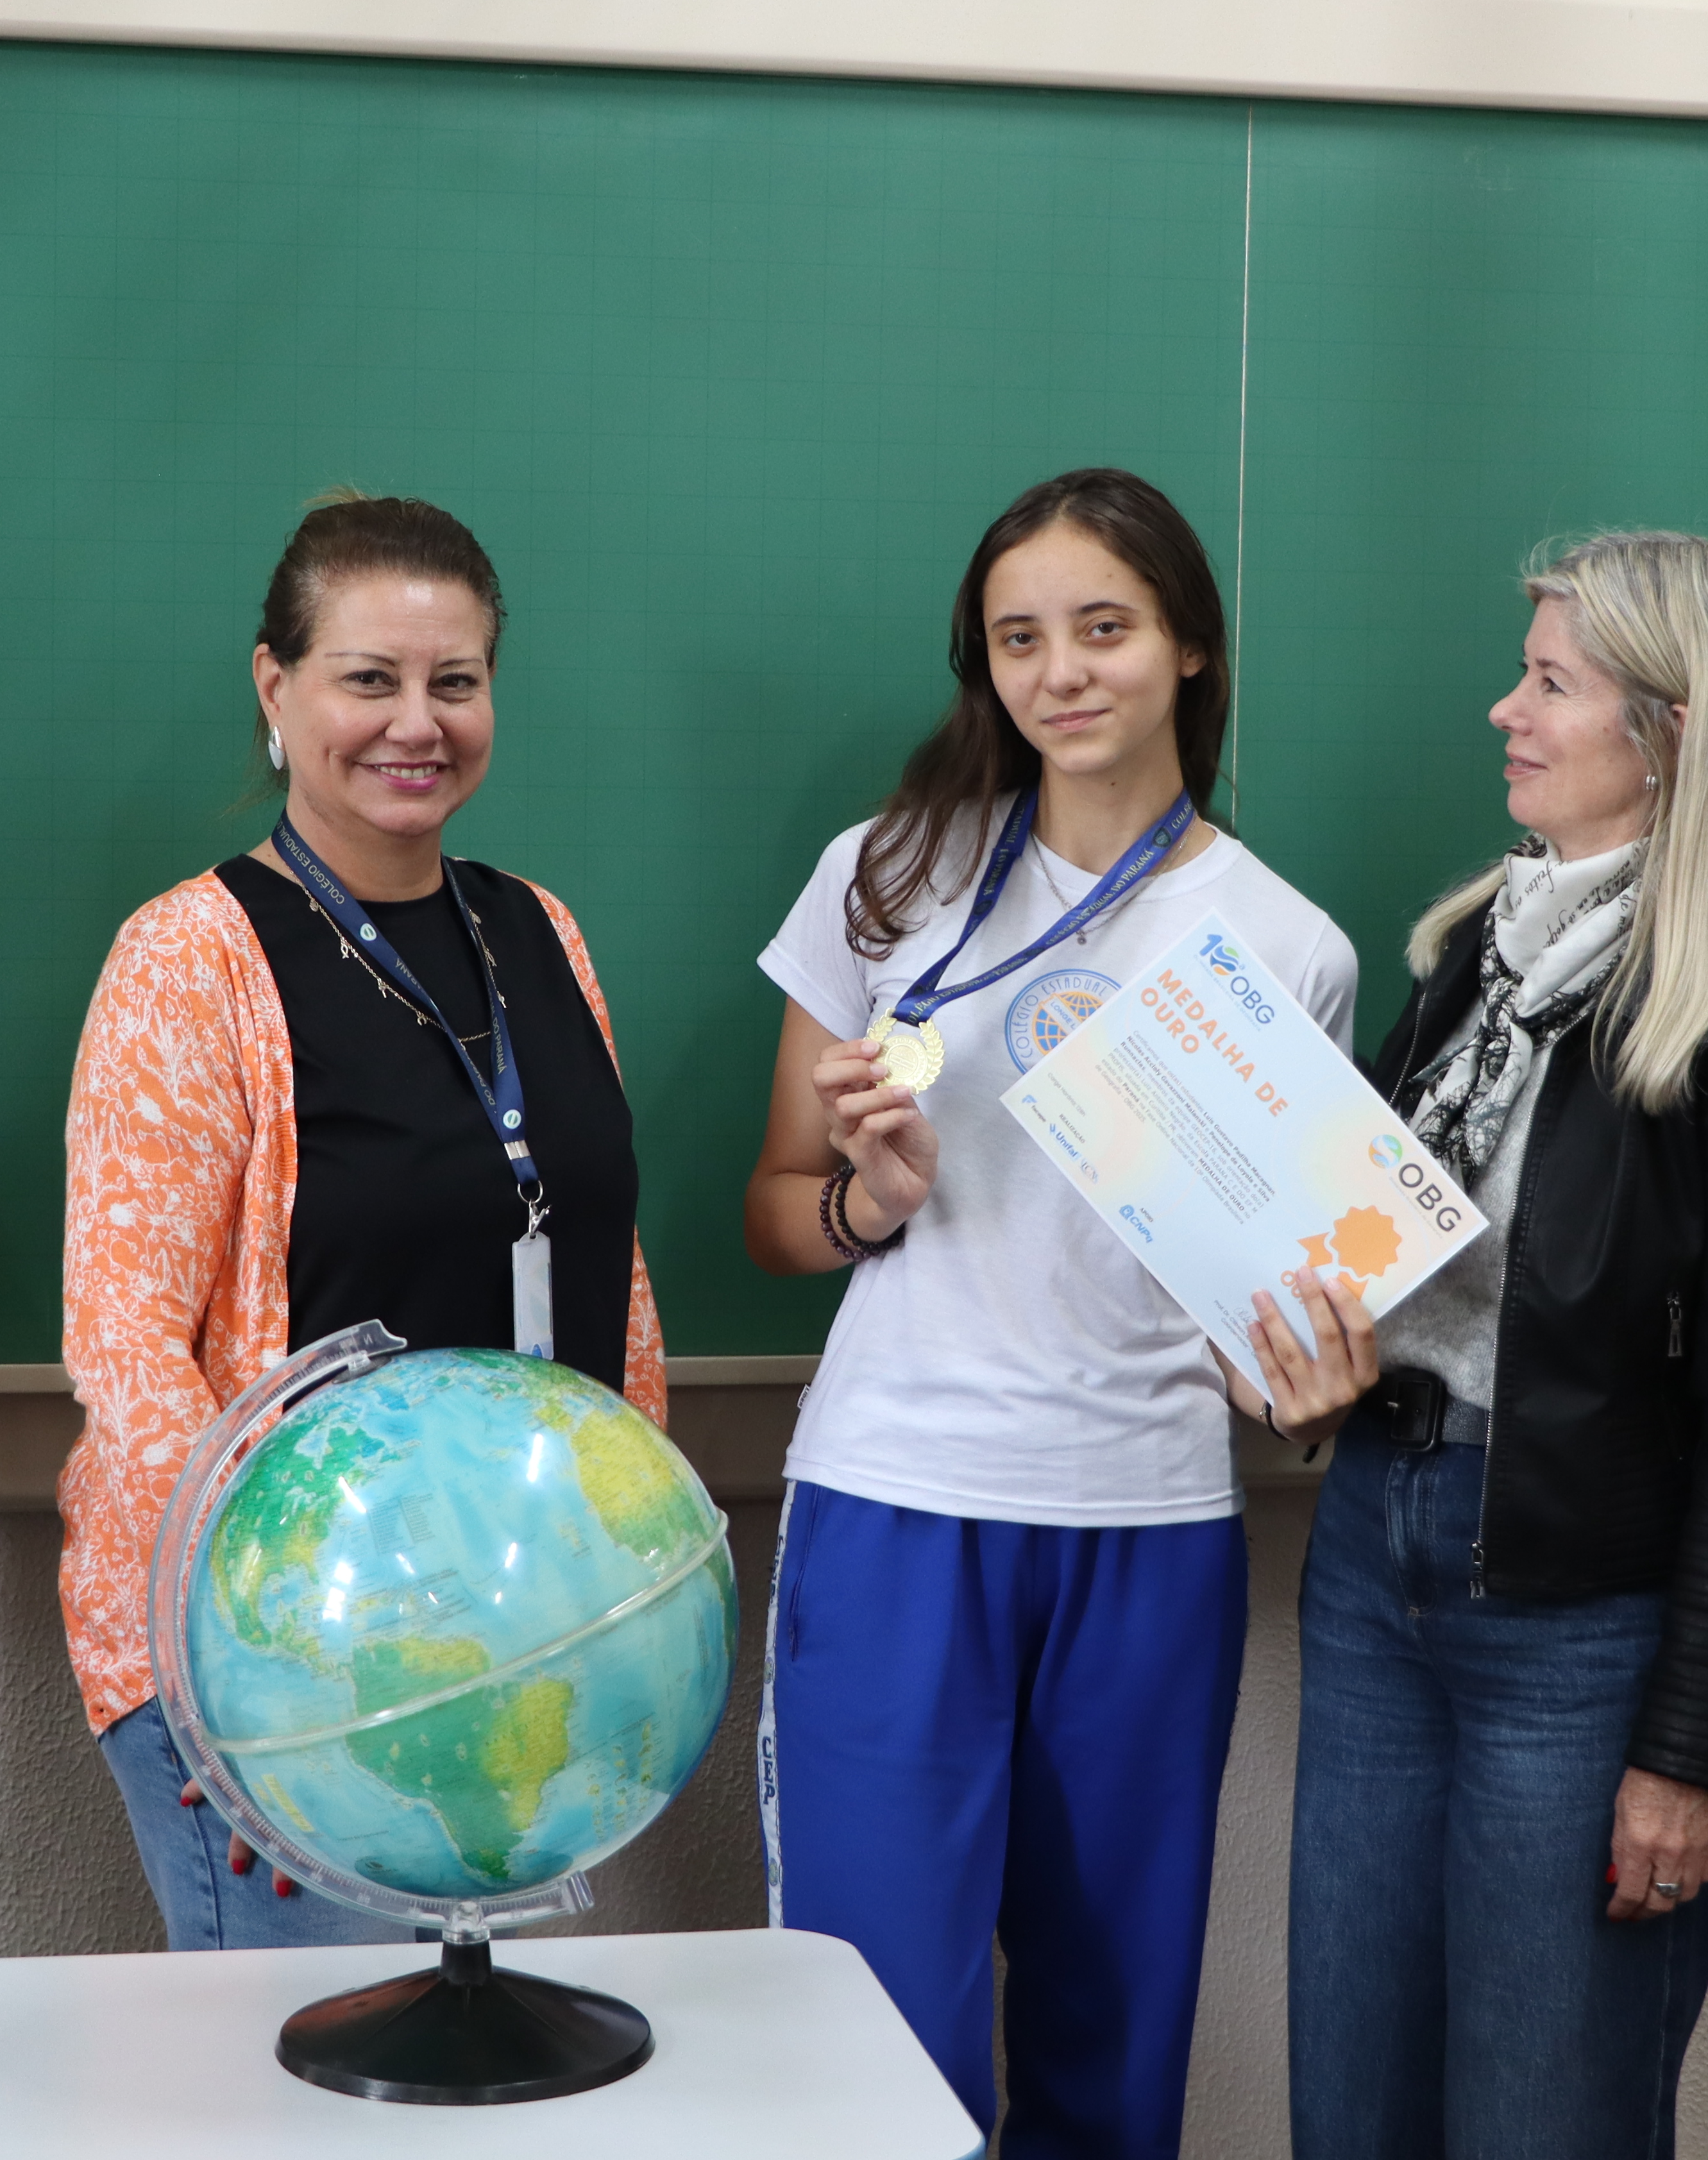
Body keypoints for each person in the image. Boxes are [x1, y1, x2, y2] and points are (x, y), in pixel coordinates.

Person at [1240, 532, 1708, 2159]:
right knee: (1354, 2103)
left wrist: (1687, 1753)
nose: (1501, 712)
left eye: (1549, 683)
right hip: (1380, 1550)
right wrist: (1318, 1365)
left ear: (1671, 731)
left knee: (1546, 2117)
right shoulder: (1479, 955)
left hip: (1579, 1624)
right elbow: (1387, 1262)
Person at [742, 467, 1353, 2157]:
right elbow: (780, 1214)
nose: (1061, 673)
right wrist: (874, 1193)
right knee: (879, 2033)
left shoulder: (1285, 946)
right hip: (900, 1504)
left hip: (1147, 1520)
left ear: (1191, 651)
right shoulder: (887, 876)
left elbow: (1275, 1331)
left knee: (1115, 2022)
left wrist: (1313, 1384)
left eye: (1104, 629)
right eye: (1021, 639)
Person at [58, 489, 665, 1950]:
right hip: (284, 1681)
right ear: (277, 688)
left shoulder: (540, 930)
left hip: (506, 1667)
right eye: (368, 678)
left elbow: (609, 1270)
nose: (418, 722)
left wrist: (630, 1572)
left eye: (456, 681)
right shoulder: (192, 957)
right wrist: (275, 1663)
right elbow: (128, 1347)